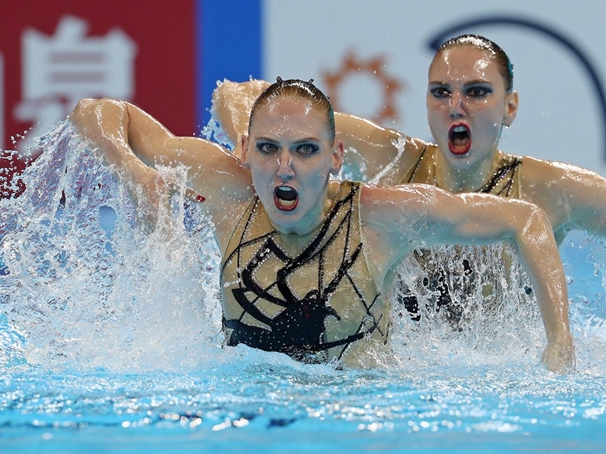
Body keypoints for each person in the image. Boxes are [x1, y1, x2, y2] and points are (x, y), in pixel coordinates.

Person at [68, 78, 574, 372]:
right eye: (268, 149)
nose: (283, 167)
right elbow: (100, 110)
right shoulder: (230, 194)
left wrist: (560, 343)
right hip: (244, 408)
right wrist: (132, 170)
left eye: (305, 150)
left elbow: (524, 218)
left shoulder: (381, 215)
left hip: (359, 410)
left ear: (336, 157)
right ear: (246, 150)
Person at [212, 35, 606, 324]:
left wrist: (560, 344)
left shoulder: (550, 189)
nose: (456, 107)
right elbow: (234, 93)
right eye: (441, 92)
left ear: (510, 107)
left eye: (477, 92)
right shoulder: (396, 157)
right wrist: (248, 152)